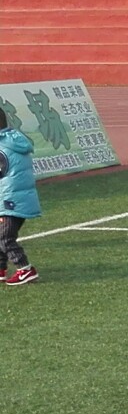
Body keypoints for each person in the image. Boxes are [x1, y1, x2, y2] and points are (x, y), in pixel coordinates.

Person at [0, 109, 41, 286]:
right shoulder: (12, 140)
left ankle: (25, 269)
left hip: (9, 200)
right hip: (17, 198)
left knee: (5, 238)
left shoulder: (2, 147)